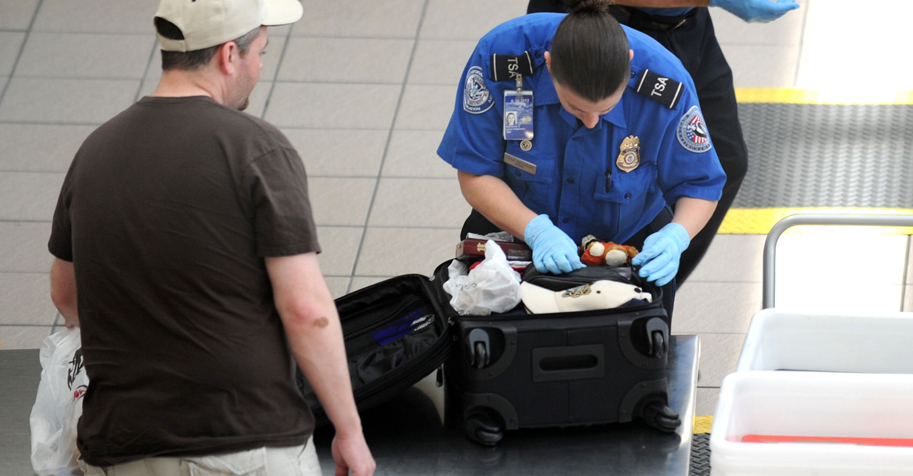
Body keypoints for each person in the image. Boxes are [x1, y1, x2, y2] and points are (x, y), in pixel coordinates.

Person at [47, 0, 376, 475]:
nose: (260, 66)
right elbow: (306, 309)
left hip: (122, 446)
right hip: (242, 445)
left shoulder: (95, 151)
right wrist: (350, 430)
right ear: (228, 55)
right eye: (260, 51)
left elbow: (65, 295)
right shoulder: (257, 149)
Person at [437, 0, 726, 317]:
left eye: (604, 111)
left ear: (628, 65)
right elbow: (475, 173)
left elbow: (699, 184)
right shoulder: (500, 59)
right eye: (576, 108)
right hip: (512, 227)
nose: (591, 122)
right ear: (549, 65)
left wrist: (676, 235)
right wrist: (536, 231)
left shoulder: (666, 87)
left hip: (622, 241)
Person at [526, 0, 800, 286]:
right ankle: (573, 279)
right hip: (602, 30)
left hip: (686, 24)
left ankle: (645, 283)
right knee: (593, 160)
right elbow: (477, 164)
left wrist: (675, 238)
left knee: (725, 159)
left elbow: (703, 182)